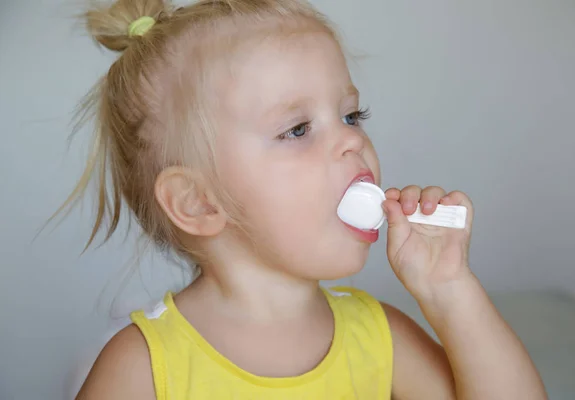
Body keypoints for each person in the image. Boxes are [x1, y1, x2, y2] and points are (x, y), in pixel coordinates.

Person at [65, 0, 547, 398]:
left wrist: (449, 290)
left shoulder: (381, 336)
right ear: (198, 202)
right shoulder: (142, 368)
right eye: (297, 129)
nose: (353, 141)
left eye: (352, 116)